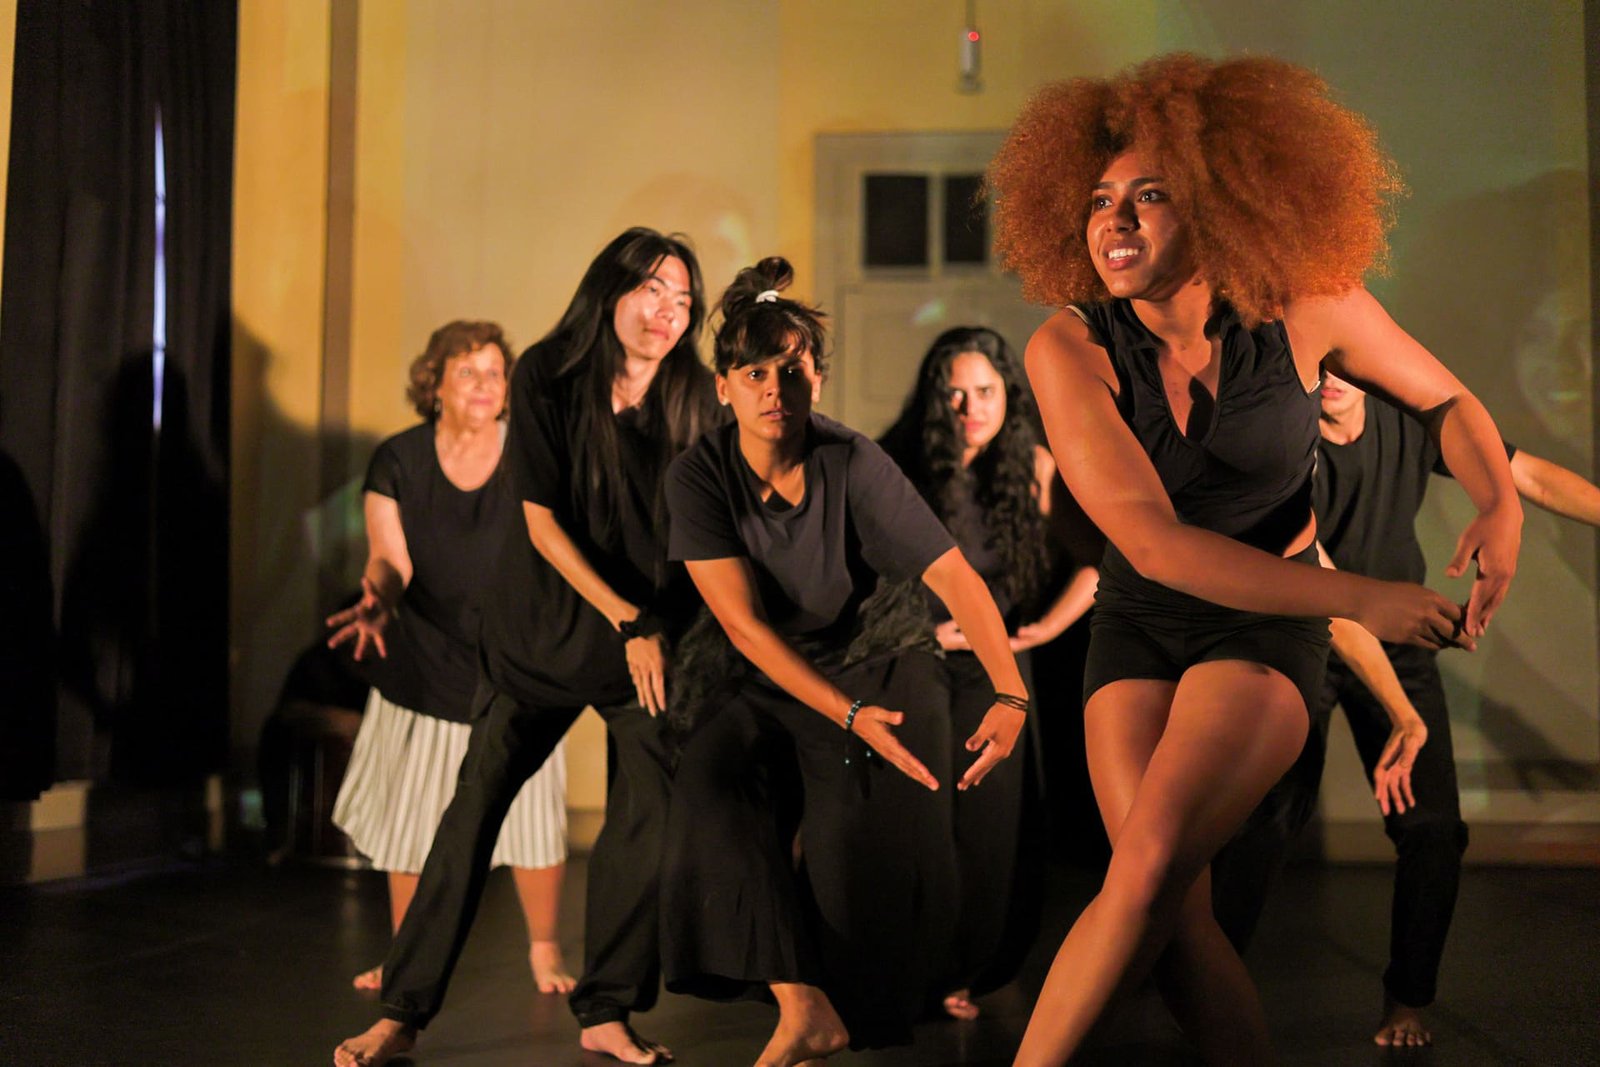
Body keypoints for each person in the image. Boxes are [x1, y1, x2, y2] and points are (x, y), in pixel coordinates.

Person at [985, 53, 1523, 1064]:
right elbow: (1152, 543)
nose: (1116, 222)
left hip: (1265, 630)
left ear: (1222, 202)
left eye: (1150, 196)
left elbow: (1447, 400)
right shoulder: (1068, 347)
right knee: (1175, 917)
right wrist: (1358, 596)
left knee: (1146, 866)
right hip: (1139, 622)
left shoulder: (1306, 307)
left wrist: (1500, 502)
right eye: (1099, 201)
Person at [334, 228, 720, 1067]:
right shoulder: (550, 372)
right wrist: (629, 619)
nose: (668, 311)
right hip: (546, 630)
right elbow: (541, 524)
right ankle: (401, 1012)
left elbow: (705, 516)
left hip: (645, 641)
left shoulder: (694, 392)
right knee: (472, 811)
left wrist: (670, 626)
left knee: (649, 817)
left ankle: (607, 1009)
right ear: (610, 292)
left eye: (684, 299)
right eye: (652, 289)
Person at [658, 259, 1031, 1066]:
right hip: (770, 663)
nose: (775, 389)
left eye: (792, 370)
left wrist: (1010, 692)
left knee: (851, 845)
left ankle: (876, 1001)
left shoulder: (852, 459)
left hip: (876, 651)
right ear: (723, 387)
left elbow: (954, 576)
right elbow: (746, 628)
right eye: (755, 373)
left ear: (817, 380)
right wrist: (844, 715)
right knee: (708, 783)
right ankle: (801, 1005)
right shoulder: (697, 477)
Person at [1211, 368, 1600, 1047]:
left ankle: (1406, 998)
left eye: (1343, 363)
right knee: (1264, 826)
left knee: (1434, 831)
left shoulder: (1409, 425)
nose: (1331, 378)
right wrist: (1403, 712)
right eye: (1319, 364)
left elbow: (1528, 477)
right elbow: (1331, 601)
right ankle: (1202, 986)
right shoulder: (1282, 446)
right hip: (1303, 638)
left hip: (1399, 643)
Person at [324, 321, 574, 997]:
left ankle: (544, 949)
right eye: (468, 372)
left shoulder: (529, 453)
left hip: (516, 661)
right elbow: (390, 557)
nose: (485, 385)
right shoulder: (399, 459)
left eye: (495, 373)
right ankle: (407, 954)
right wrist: (377, 596)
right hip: (425, 662)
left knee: (532, 817)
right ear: (433, 385)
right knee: (414, 822)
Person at [878, 326, 1098, 1019]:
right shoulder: (898, 464)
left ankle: (965, 969)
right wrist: (918, 631)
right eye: (955, 393)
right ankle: (912, 964)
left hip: (998, 662)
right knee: (924, 814)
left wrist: (1047, 627)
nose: (970, 408)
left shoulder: (1032, 465)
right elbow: (863, 577)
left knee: (991, 824)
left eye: (985, 391)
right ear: (933, 398)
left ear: (1008, 396)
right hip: (918, 656)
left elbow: (1101, 560)